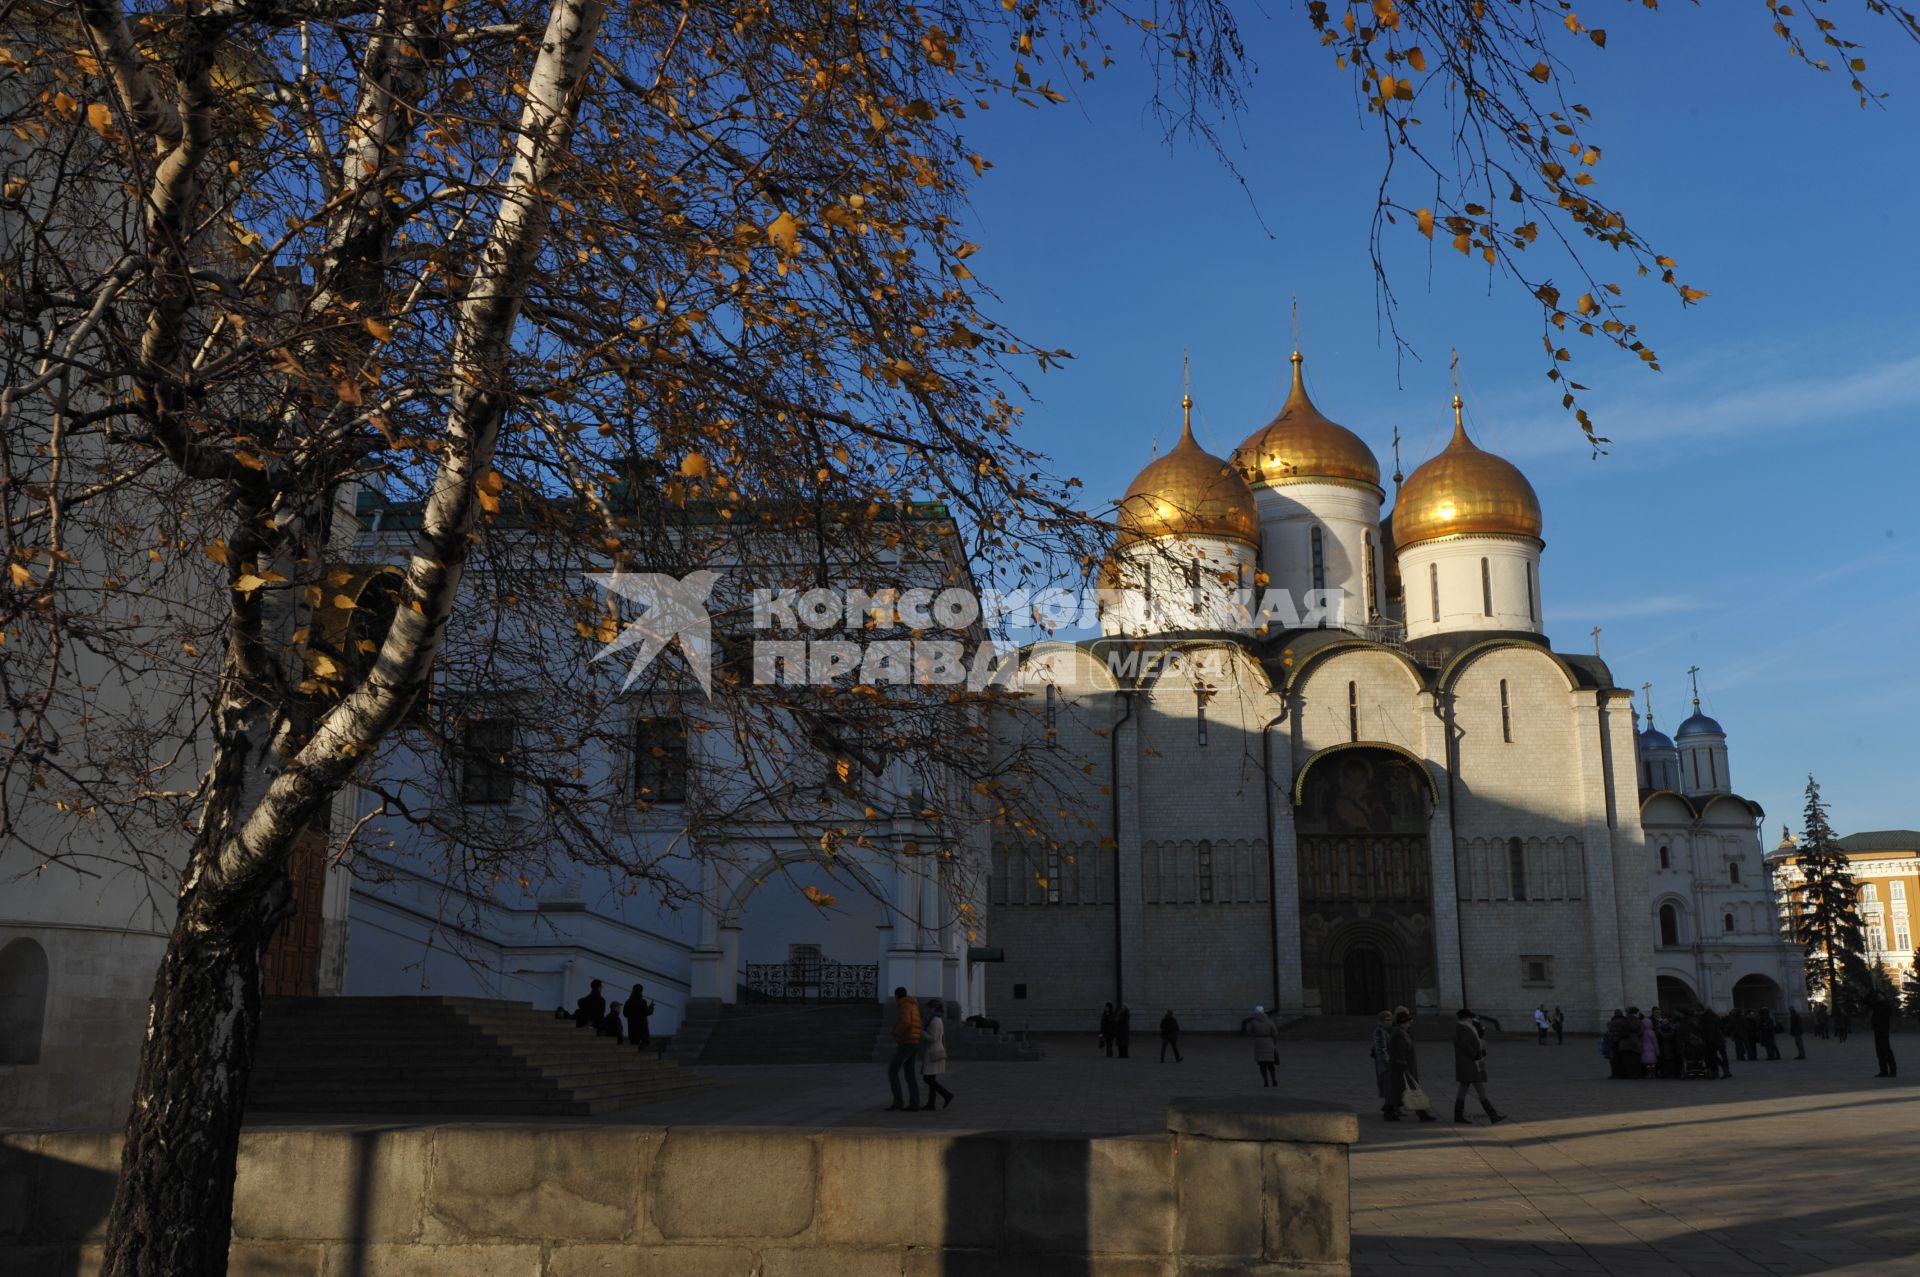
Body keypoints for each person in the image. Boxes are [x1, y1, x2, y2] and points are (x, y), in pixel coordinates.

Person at [1452, 1009, 1509, 1125]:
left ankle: (1458, 1115)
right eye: (1470, 1017)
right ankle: (1492, 1115)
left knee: (1464, 1088)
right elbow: (1465, 1044)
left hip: (1466, 1063)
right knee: (1480, 1089)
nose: (1471, 1019)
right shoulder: (1464, 1029)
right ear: (1465, 1018)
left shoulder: (1463, 1028)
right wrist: (1475, 1054)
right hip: (1470, 1063)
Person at [1387, 1008, 1436, 1122]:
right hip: (1402, 1067)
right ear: (1402, 1023)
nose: (1409, 1025)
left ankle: (1390, 1109)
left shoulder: (1403, 1032)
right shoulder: (1398, 1034)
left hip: (1407, 1066)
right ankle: (1421, 1113)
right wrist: (1404, 1065)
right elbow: (1399, 1051)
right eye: (1408, 1023)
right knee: (1409, 1090)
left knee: (1405, 1090)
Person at [884, 987, 922, 1111]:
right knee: (910, 1075)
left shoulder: (904, 1005)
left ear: (897, 996)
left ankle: (898, 1102)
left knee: (892, 1071)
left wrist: (896, 1032)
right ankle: (914, 1103)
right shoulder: (913, 1005)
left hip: (906, 1043)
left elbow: (906, 1022)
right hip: (914, 1042)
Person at [920, 999, 954, 1109]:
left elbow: (933, 1038)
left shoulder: (935, 1021)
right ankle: (931, 1103)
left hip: (933, 1051)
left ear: (933, 1008)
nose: (927, 1010)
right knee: (931, 1078)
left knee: (927, 1079)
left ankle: (946, 1094)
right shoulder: (937, 1019)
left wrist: (921, 1032)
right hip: (935, 1050)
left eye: (929, 1008)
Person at [1369, 1009, 1396, 1118]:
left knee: (1391, 1087)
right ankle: (1388, 1111)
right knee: (1388, 1087)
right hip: (1385, 1065)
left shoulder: (1390, 1030)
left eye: (1390, 1019)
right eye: (1387, 1019)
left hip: (1391, 1063)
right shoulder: (1379, 1031)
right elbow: (1381, 1049)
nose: (1389, 1021)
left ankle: (1390, 1107)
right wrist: (1388, 1062)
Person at [1249, 1005, 1279, 1087]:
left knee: (1262, 1065)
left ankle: (1266, 1082)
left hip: (1259, 1043)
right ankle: (1274, 1080)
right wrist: (1274, 1042)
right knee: (1270, 1064)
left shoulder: (1253, 1022)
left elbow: (1250, 1032)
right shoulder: (1270, 1021)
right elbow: (1275, 1033)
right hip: (1269, 1042)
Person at [1870, 993, 1898, 1078]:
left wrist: (1878, 1002)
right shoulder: (1877, 1004)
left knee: (1886, 1050)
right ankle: (1883, 1070)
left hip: (1883, 1029)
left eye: (1880, 996)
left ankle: (1893, 1070)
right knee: (1879, 1051)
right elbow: (1867, 1002)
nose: (1879, 997)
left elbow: (1882, 1012)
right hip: (1877, 1029)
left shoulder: (1886, 1005)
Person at [1701, 1008, 1731, 1079]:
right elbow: (1722, 1027)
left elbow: (1710, 1031)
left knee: (1712, 1056)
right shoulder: (1715, 1017)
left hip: (1713, 1041)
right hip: (1720, 1040)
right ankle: (1725, 1070)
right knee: (1720, 1055)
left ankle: (1717, 1071)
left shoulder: (1705, 1018)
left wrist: (1708, 1041)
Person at [627, 984, 654, 1051]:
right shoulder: (642, 1001)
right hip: (642, 1026)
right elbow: (647, 1012)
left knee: (633, 1043)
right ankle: (638, 1051)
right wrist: (651, 1007)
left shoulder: (629, 1001)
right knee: (646, 1041)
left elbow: (625, 1013)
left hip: (632, 1026)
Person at [1638, 1009, 1658, 1077]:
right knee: (1652, 1063)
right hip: (1651, 1049)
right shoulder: (1652, 1032)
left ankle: (1648, 1074)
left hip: (1644, 1048)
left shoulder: (1642, 1032)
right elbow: (1655, 1042)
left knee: (1647, 1064)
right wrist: (1657, 1051)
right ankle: (1653, 1074)